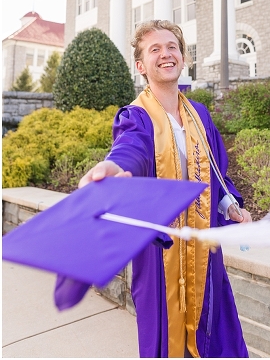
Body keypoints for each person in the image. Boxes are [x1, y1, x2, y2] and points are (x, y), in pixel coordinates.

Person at [79, 20, 251, 357]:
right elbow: (131, 149)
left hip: (204, 251)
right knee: (166, 340)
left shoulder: (199, 114)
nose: (165, 54)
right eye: (154, 49)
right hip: (161, 255)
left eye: (172, 47)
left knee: (216, 336)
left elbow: (217, 176)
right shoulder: (137, 116)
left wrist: (229, 205)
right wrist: (113, 168)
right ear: (141, 66)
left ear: (183, 58)